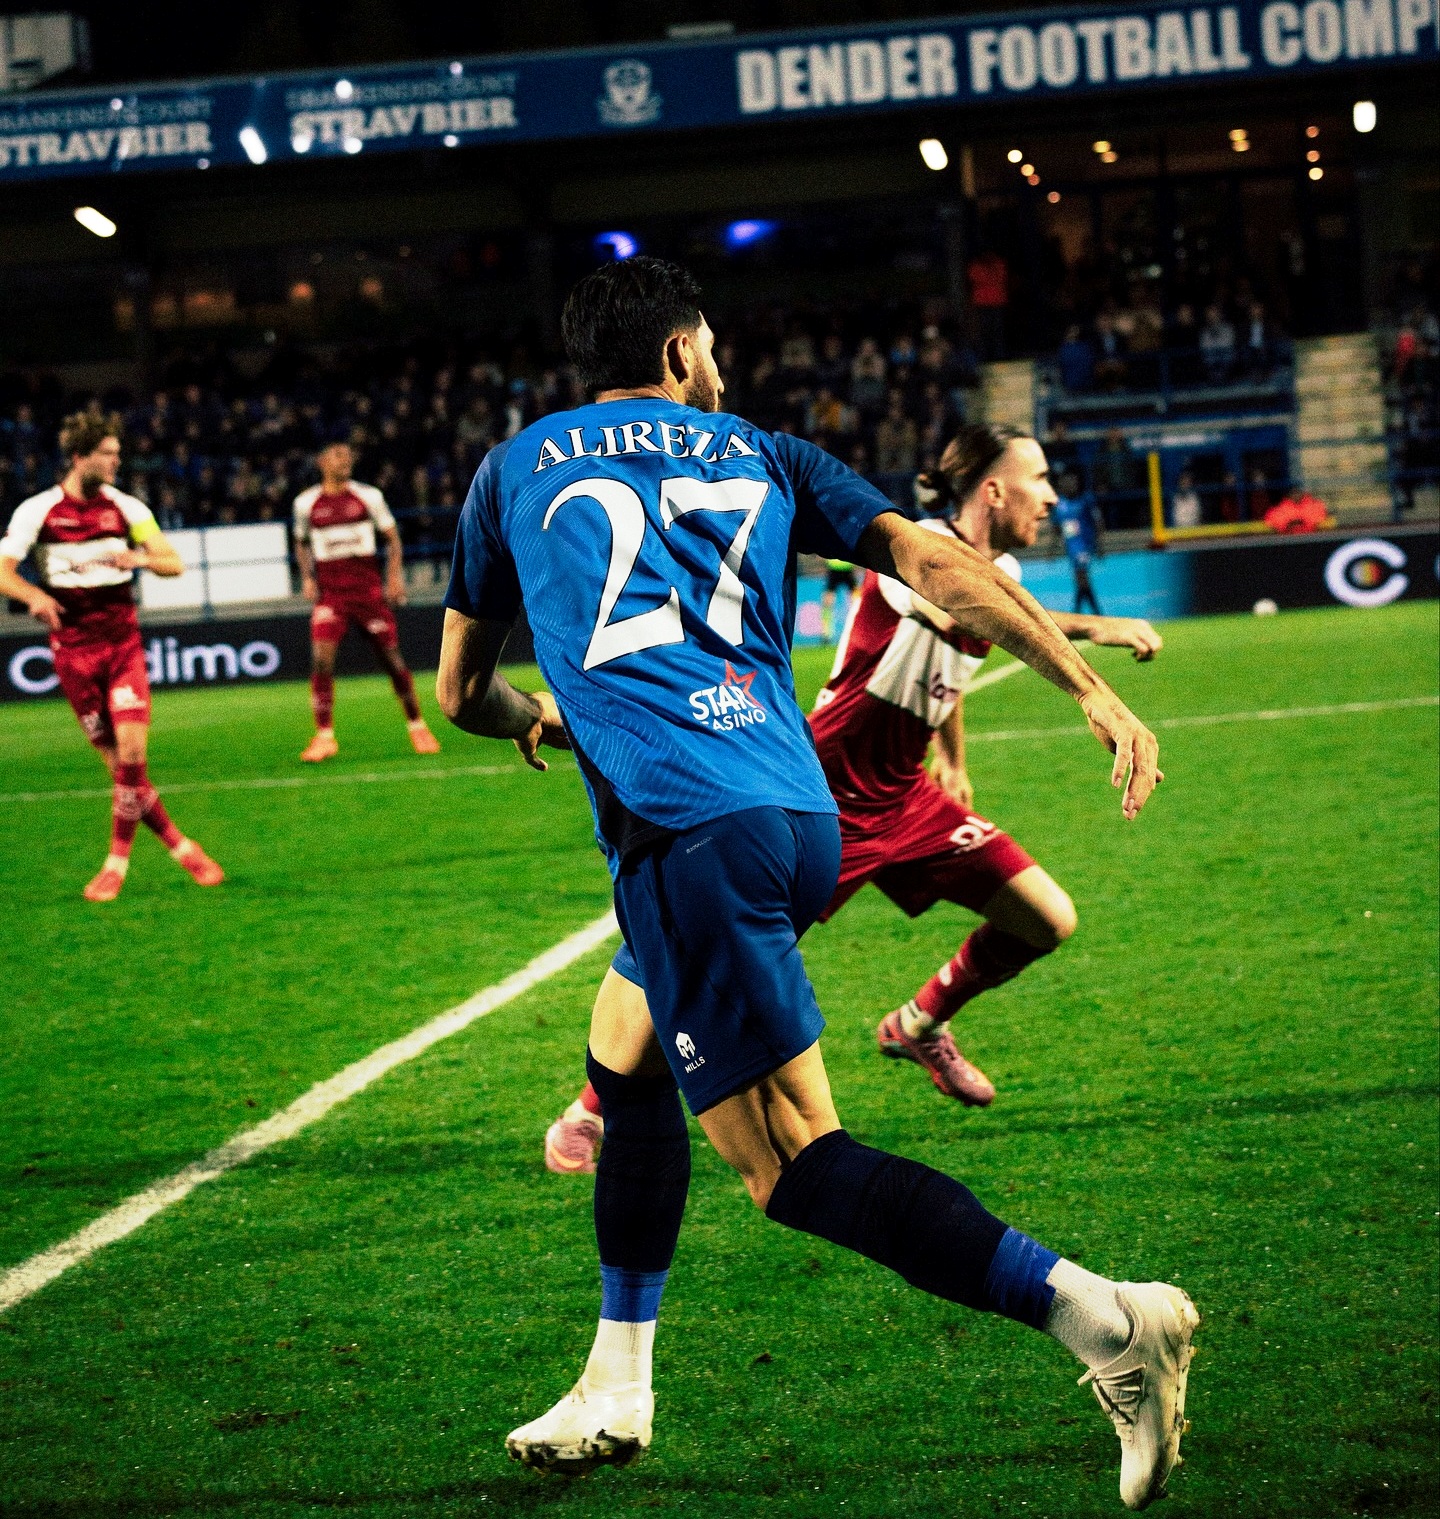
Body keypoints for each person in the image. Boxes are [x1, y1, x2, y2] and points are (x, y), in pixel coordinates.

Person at [437, 258, 1193, 1511]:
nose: (718, 363)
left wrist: (540, 720)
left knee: (793, 1164)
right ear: (682, 353)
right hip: (796, 817)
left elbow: (463, 691)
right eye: (714, 344)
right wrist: (1093, 688)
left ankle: (1108, 1323)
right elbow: (944, 568)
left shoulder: (515, 467)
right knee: (621, 1057)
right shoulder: (768, 451)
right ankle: (617, 1379)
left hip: (688, 833)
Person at [547, 426, 1160, 1160]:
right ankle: (589, 1110)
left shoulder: (1001, 575)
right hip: (824, 793)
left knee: (1046, 918)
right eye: (1040, 477)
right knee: (704, 950)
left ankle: (919, 1024)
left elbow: (955, 659)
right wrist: (1101, 628)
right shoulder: (917, 546)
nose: (1054, 495)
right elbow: (956, 612)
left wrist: (952, 755)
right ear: (993, 490)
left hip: (907, 794)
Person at [0, 413, 225, 901]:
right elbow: (4, 571)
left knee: (133, 755)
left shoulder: (126, 507)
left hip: (122, 645)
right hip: (73, 652)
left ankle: (115, 865)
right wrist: (34, 597)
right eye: (108, 453)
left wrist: (141, 558)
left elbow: (174, 562)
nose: (116, 461)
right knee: (124, 773)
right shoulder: (37, 511)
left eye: (117, 453)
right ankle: (182, 846)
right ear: (80, 458)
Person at [292, 440, 441, 762]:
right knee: (321, 659)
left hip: (368, 593)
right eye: (337, 455)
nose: (344, 460)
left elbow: (392, 537)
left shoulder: (368, 496)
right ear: (321, 461)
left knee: (393, 661)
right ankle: (324, 736)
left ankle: (417, 725)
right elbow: (301, 542)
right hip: (331, 594)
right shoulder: (306, 503)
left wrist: (395, 578)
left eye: (347, 455)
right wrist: (306, 577)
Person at [1053, 469, 1106, 614]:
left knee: (1082, 579)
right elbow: (1057, 527)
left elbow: (1098, 522)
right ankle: (1092, 614)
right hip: (1071, 547)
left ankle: (1085, 613)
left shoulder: (1085, 500)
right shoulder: (1060, 504)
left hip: (1084, 546)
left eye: (1073, 482)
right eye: (1067, 483)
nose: (1071, 485)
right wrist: (1052, 549)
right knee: (1081, 582)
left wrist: (1099, 545)